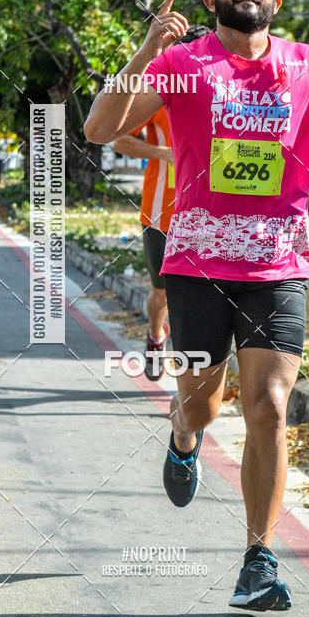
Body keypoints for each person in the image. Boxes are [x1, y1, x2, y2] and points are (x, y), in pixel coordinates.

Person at [84, 0, 309, 612]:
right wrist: (145, 50)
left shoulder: (308, 65)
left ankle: (258, 559)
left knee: (269, 406)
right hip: (197, 262)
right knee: (203, 401)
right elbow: (99, 128)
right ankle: (182, 434)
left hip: (278, 264)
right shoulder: (182, 63)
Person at [113, 25, 210, 380]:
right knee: (162, 294)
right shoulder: (158, 93)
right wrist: (165, 154)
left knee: (201, 296)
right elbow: (119, 139)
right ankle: (156, 336)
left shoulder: (219, 93)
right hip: (161, 212)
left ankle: (193, 370)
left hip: (209, 214)